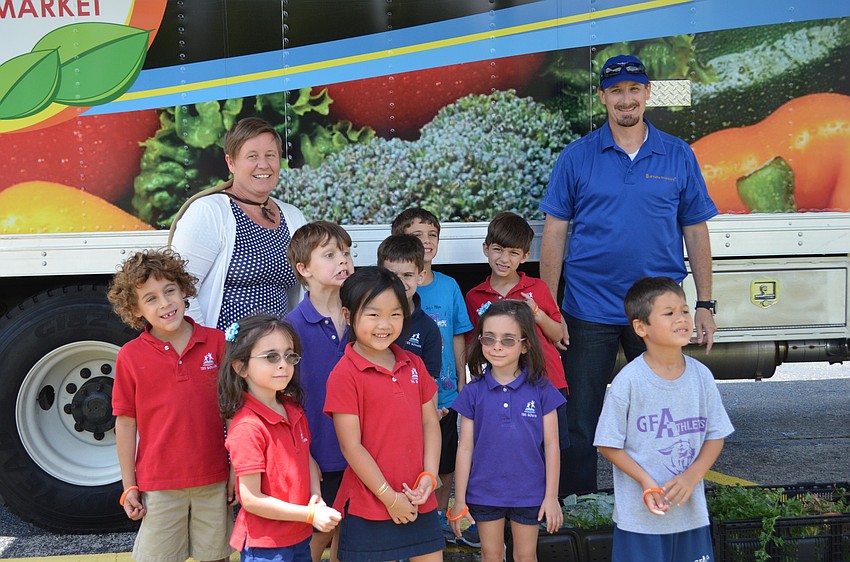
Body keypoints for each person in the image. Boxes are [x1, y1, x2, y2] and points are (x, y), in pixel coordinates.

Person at [539, 54, 719, 496]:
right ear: (602, 97)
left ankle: (662, 501)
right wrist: (548, 309)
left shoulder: (677, 154)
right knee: (581, 420)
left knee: (662, 416)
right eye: (616, 91)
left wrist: (704, 304)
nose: (626, 99)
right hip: (589, 309)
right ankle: (578, 510)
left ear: (647, 94)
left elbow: (695, 231)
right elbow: (555, 235)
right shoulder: (577, 157)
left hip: (658, 312)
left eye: (634, 90)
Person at [594, 277, 733, 562]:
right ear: (640, 327)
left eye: (684, 310)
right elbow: (607, 444)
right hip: (640, 521)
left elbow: (715, 435)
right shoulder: (629, 382)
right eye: (668, 313)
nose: (681, 318)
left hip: (691, 516)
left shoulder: (701, 376)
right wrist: (646, 481)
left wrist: (693, 476)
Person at [107, 249, 231, 562]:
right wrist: (128, 485)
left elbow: (236, 411)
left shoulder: (216, 343)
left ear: (184, 290)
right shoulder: (130, 357)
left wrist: (237, 471)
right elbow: (125, 422)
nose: (164, 303)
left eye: (170, 290)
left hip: (214, 479)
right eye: (150, 298)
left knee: (216, 556)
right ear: (135, 310)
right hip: (158, 485)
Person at [324, 267, 444, 562]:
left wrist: (429, 476)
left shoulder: (414, 364)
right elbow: (351, 447)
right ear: (348, 315)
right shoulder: (345, 374)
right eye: (373, 314)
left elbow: (430, 422)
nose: (385, 324)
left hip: (419, 498)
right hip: (371, 503)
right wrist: (390, 499)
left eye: (395, 314)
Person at [219, 314, 342, 561]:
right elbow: (251, 499)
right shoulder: (247, 426)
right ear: (240, 367)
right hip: (266, 546)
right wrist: (309, 514)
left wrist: (315, 496)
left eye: (289, 355)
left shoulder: (293, 409)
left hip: (298, 535)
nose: (284, 364)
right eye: (271, 357)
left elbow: (305, 456)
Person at [450, 300, 565, 562]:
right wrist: (459, 500)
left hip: (530, 491)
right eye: (488, 339)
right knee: (491, 554)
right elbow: (465, 447)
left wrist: (551, 497)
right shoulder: (472, 391)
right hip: (484, 491)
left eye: (508, 340)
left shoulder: (543, 390)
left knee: (526, 556)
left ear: (525, 345)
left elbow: (552, 446)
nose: (497, 346)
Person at [169, 116, 307, 330]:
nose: (264, 165)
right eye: (252, 156)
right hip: (227, 352)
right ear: (231, 162)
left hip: (279, 354)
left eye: (271, 155)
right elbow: (181, 288)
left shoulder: (292, 216)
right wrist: (206, 349)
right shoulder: (209, 211)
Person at [391, 207, 477, 547]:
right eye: (417, 236)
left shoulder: (450, 285)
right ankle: (414, 517)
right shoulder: (394, 288)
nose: (426, 242)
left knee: (444, 460)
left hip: (444, 395)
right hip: (406, 398)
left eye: (432, 235)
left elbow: (458, 334)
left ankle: (439, 518)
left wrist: (461, 378)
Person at [463, 212, 571, 476]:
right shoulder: (475, 296)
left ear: (524, 256)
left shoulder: (538, 288)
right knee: (511, 449)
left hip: (547, 381)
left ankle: (550, 506)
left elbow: (559, 336)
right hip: (503, 388)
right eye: (498, 250)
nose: (504, 259)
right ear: (486, 249)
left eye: (513, 253)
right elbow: (472, 345)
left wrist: (536, 312)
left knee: (551, 449)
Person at [284, 221, 354, 562]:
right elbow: (285, 400)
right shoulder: (291, 328)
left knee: (351, 539)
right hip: (318, 456)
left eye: (346, 252)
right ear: (304, 269)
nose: (342, 260)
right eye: (329, 254)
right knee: (316, 537)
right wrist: (304, 453)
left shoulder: (363, 319)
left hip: (361, 454)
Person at [377, 233, 442, 380]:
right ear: (380, 274)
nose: (399, 283)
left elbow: (430, 385)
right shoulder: (367, 320)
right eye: (392, 275)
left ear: (420, 276)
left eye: (407, 275)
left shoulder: (429, 329)